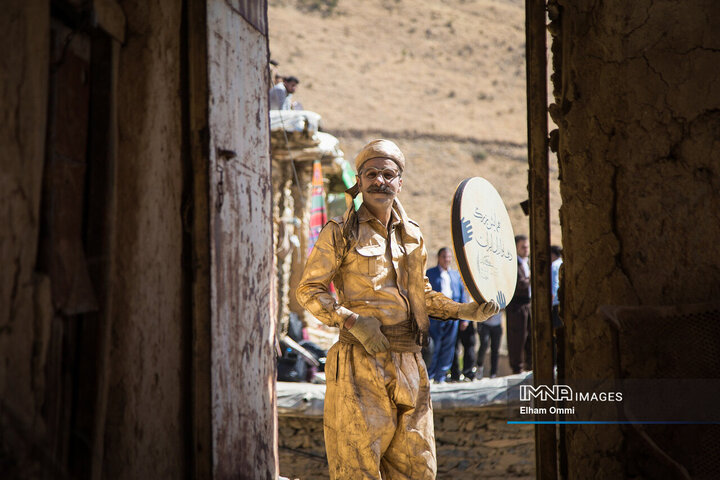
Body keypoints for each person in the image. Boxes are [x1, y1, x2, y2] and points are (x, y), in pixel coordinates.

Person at [296, 139, 499, 479]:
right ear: (359, 181)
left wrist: (466, 311)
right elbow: (309, 290)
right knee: (357, 467)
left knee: (418, 467)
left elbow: (422, 293)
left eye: (388, 174)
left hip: (410, 362)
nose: (380, 181)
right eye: (371, 173)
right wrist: (352, 322)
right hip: (360, 362)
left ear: (400, 182)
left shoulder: (414, 235)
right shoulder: (340, 231)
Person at [426, 248, 469, 383]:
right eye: (444, 257)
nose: (447, 259)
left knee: (449, 347)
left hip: (453, 316)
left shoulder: (455, 275)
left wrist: (464, 318)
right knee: (435, 345)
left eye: (449, 257)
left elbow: (462, 297)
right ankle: (430, 375)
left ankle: (441, 375)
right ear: (439, 258)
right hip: (436, 316)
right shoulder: (430, 273)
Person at [506, 234, 532, 374]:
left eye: (527, 246)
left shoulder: (526, 263)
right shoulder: (512, 264)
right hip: (517, 307)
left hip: (528, 305)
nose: (526, 249)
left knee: (529, 337)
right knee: (517, 339)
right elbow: (520, 284)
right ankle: (517, 368)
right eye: (523, 247)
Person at [476, 311, 503, 378]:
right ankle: (479, 366)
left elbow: (503, 307)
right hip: (485, 324)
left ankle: (493, 373)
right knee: (484, 345)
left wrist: (494, 312)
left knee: (495, 349)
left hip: (497, 325)